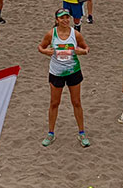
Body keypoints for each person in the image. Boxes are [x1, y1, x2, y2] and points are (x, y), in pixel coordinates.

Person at [38, 8, 91, 147]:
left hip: (73, 71)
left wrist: (82, 52)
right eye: (62, 18)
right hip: (56, 72)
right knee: (54, 103)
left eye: (67, 17)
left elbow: (86, 48)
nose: (65, 20)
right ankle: (50, 133)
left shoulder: (75, 34)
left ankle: (82, 133)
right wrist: (45, 51)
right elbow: (40, 47)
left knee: (76, 102)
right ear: (57, 20)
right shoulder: (51, 34)